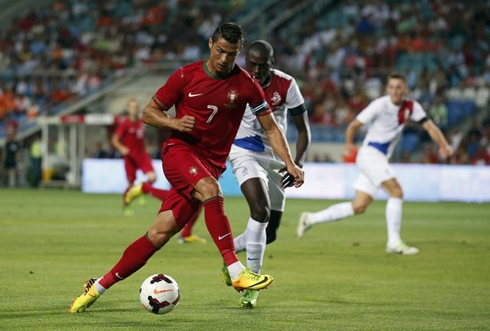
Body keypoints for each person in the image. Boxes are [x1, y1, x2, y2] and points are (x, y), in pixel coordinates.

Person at [69, 22, 304, 313]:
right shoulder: (185, 75)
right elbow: (149, 113)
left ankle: (98, 287)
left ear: (238, 52)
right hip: (180, 152)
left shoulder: (246, 84)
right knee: (210, 189)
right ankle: (235, 270)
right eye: (220, 51)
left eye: (231, 54)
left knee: (158, 234)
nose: (223, 59)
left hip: (210, 164)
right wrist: (174, 123)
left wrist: (291, 163)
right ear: (210, 44)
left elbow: (271, 128)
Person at [297, 72, 453, 255]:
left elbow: (430, 127)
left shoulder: (411, 106)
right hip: (370, 155)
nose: (395, 91)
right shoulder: (380, 105)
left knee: (359, 206)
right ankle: (393, 242)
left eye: (399, 87)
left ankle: (310, 218)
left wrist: (444, 145)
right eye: (391, 87)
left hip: (378, 159)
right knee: (396, 191)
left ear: (405, 89)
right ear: (387, 89)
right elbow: (354, 125)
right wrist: (348, 144)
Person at [221, 40, 311, 308]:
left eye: (262, 66)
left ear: (271, 63)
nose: (257, 71)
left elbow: (303, 130)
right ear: (245, 62)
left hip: (276, 157)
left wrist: (296, 162)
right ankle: (251, 285)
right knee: (259, 211)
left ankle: (231, 253)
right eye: (252, 65)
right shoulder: (232, 78)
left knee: (268, 234)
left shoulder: (286, 85)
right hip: (243, 151)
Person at [111, 98, 168, 215]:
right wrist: (122, 148)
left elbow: (142, 139)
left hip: (142, 155)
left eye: (136, 106)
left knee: (153, 177)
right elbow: (114, 140)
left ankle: (142, 189)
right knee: (131, 184)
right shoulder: (125, 123)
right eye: (132, 106)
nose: (134, 109)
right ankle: (126, 205)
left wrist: (146, 148)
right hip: (130, 157)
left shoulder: (141, 123)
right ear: (128, 109)